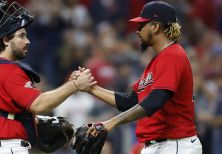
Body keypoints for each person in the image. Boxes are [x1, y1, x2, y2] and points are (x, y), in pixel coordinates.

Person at [74, 1, 203, 154]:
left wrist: (110, 123)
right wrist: (91, 88)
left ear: (155, 27)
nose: (138, 30)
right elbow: (131, 101)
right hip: (158, 145)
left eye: (142, 25)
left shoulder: (173, 55)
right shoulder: (157, 61)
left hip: (175, 144)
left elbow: (155, 101)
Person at [0, 2, 96, 154]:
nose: (27, 41)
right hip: (7, 148)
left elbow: (0, 113)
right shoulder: (9, 70)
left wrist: (34, 121)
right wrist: (75, 85)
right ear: (5, 40)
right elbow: (39, 105)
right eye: (21, 36)